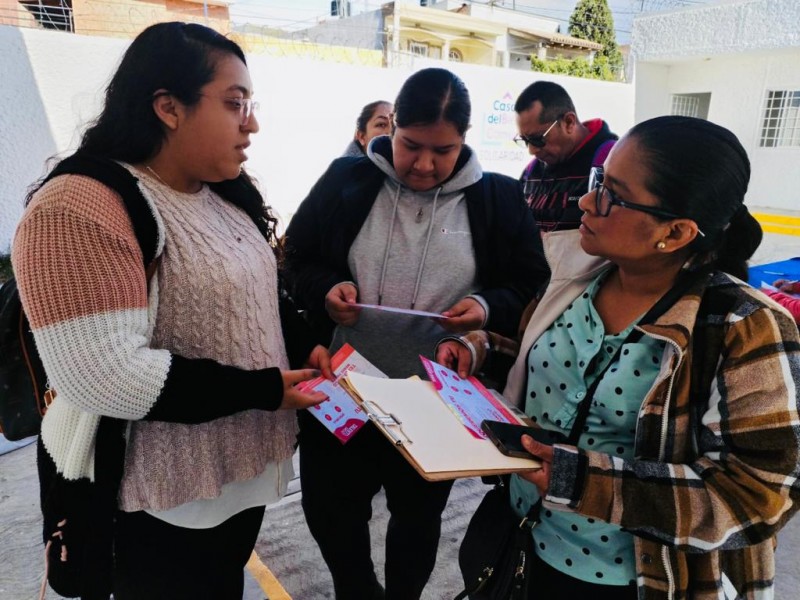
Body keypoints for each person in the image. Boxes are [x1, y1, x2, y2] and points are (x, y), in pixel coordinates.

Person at [12, 22, 332, 599]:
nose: (252, 123)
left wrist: (306, 341)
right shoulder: (80, 206)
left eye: (251, 105)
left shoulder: (224, 191)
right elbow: (104, 375)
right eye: (234, 103)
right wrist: (263, 390)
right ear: (168, 108)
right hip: (154, 497)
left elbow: (257, 293)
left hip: (240, 471)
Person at [438, 116, 800, 599]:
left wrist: (585, 482)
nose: (586, 202)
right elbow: (555, 374)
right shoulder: (576, 276)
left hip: (633, 578)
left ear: (675, 232)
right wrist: (482, 350)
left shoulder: (744, 327)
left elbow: (760, 493)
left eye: (612, 194)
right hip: (522, 536)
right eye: (598, 180)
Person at [283, 67, 549, 599]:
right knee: (332, 510)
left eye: (442, 150)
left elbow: (527, 282)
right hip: (343, 385)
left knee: (417, 516)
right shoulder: (347, 180)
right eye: (410, 145)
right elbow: (297, 258)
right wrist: (327, 289)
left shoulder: (496, 198)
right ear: (393, 127)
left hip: (432, 400)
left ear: (464, 140)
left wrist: (482, 307)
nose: (424, 164)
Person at [514, 80, 618, 232]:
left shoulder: (610, 163)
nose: (532, 150)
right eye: (525, 140)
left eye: (537, 139)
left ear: (569, 122)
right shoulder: (531, 171)